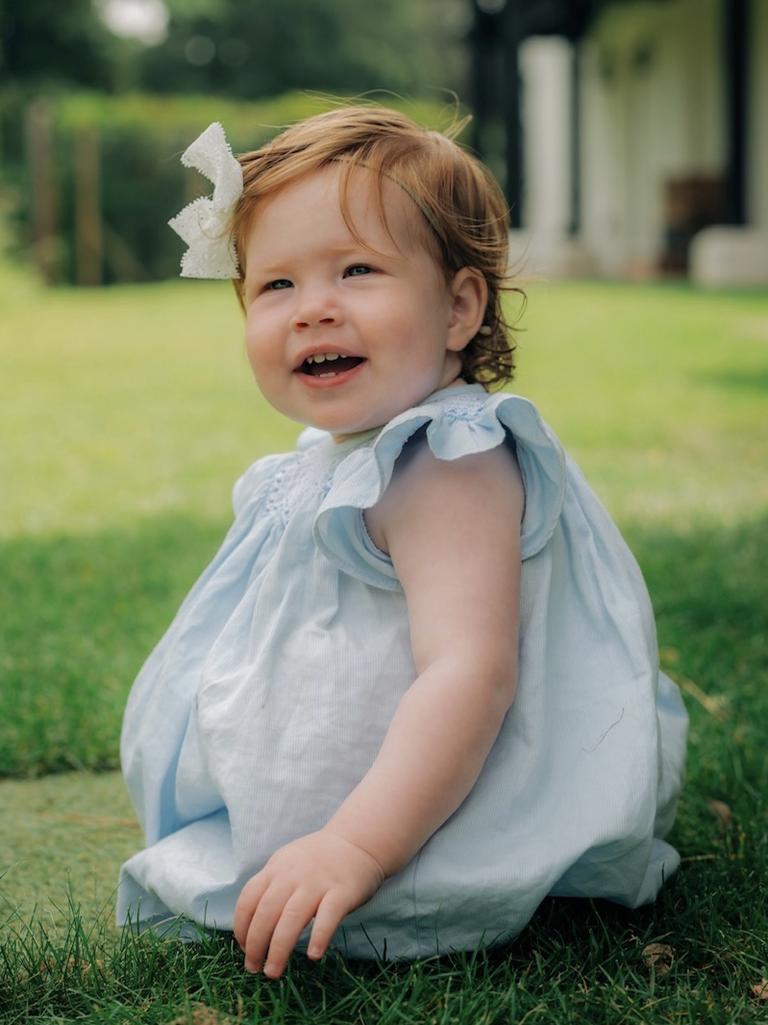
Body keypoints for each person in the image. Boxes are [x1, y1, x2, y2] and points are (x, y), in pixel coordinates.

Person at [117, 107, 688, 980]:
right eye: (276, 286)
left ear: (459, 306)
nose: (313, 310)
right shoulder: (339, 457)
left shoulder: (448, 460)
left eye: (356, 269)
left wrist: (351, 844)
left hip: (414, 821)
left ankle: (373, 865)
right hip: (375, 804)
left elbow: (471, 671)